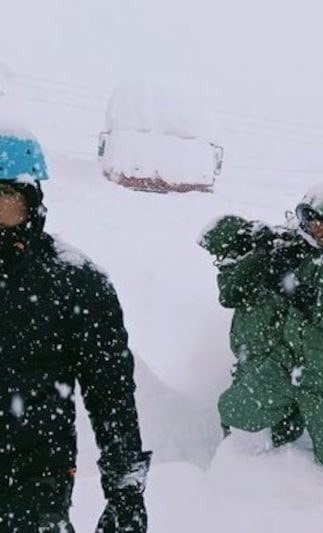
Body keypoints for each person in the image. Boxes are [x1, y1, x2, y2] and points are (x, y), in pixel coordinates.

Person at [0, 130, 151, 530]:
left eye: (4, 196)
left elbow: (111, 394)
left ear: (31, 200)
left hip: (34, 478)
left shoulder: (76, 282)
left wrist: (125, 490)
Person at [215, 184, 323, 486]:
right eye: (308, 219)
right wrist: (266, 256)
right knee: (236, 408)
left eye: (321, 220)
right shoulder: (302, 251)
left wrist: (299, 291)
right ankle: (247, 472)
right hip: (287, 361)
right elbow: (235, 291)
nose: (313, 228)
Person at [198, 215, 307, 446]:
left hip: (273, 365)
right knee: (236, 416)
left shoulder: (270, 268)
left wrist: (263, 253)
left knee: (237, 412)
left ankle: (276, 461)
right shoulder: (244, 271)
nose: (220, 261)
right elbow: (230, 292)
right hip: (252, 362)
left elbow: (234, 294)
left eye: (223, 254)